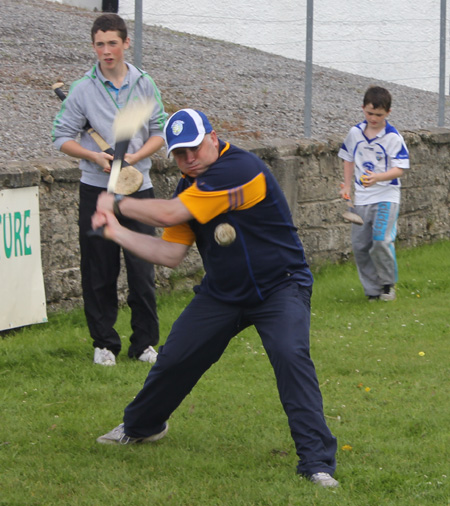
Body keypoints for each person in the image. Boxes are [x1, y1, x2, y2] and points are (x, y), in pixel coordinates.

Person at [91, 108, 338, 488]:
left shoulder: (241, 169)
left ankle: (317, 464)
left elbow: (172, 212)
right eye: (179, 154)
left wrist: (118, 205)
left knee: (290, 357)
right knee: (174, 359)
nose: (188, 159)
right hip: (223, 293)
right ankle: (142, 427)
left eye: (193, 148)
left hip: (280, 287)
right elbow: (169, 255)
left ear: (212, 136)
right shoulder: (190, 185)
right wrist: (115, 233)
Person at [52, 14, 168, 366]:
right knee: (99, 269)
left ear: (125, 43)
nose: (106, 51)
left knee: (142, 269)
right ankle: (104, 343)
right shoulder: (82, 89)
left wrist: (134, 156)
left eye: (112, 43)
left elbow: (160, 132)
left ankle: (144, 343)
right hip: (96, 189)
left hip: (139, 189)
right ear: (94, 46)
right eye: (100, 44)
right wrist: (91, 155)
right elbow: (61, 137)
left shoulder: (144, 84)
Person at [338, 86, 410, 301]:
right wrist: (346, 186)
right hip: (362, 198)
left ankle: (387, 285)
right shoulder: (355, 133)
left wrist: (378, 177)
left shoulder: (393, 137)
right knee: (360, 246)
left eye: (379, 115)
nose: (373, 118)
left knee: (380, 240)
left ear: (388, 112)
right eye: (369, 113)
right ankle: (372, 291)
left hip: (387, 196)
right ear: (363, 109)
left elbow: (401, 169)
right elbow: (348, 159)